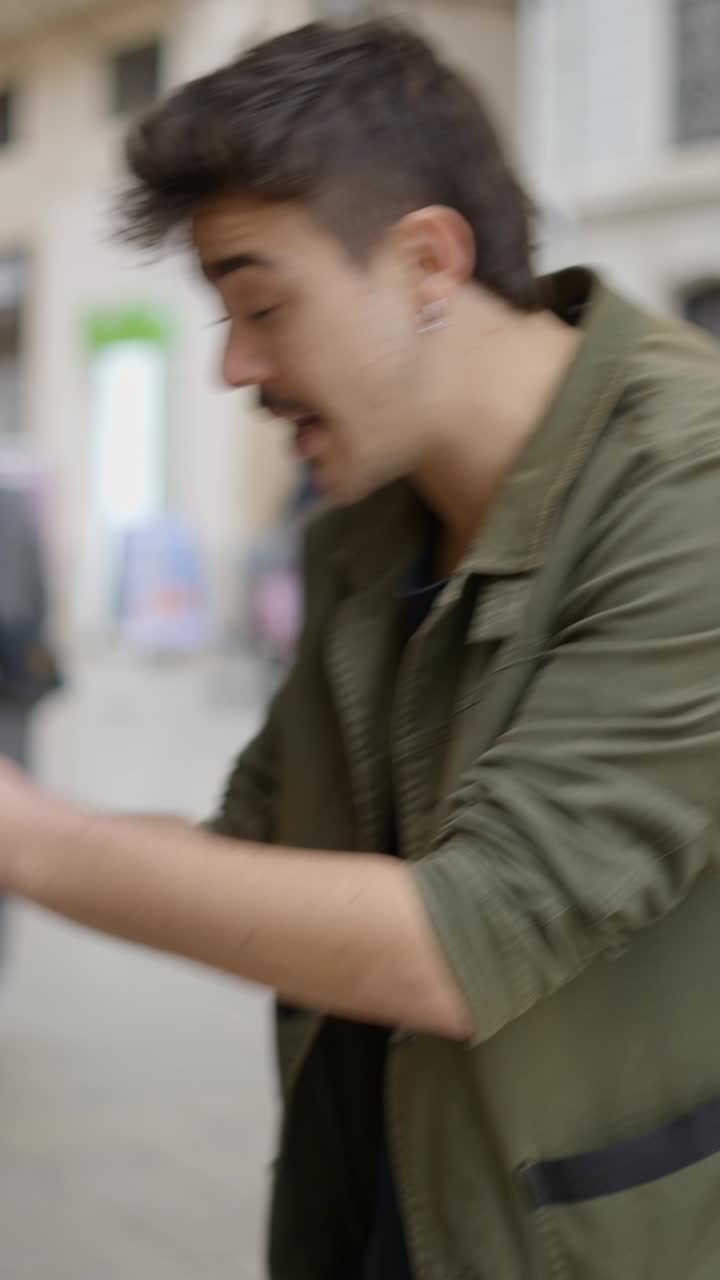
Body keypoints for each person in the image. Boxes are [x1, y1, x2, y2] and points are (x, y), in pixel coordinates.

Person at [1, 18, 720, 1279]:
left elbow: (465, 936)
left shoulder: (688, 485)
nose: (235, 366)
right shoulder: (365, 531)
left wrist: (27, 837)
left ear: (427, 260)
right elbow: (249, 858)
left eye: (263, 304)